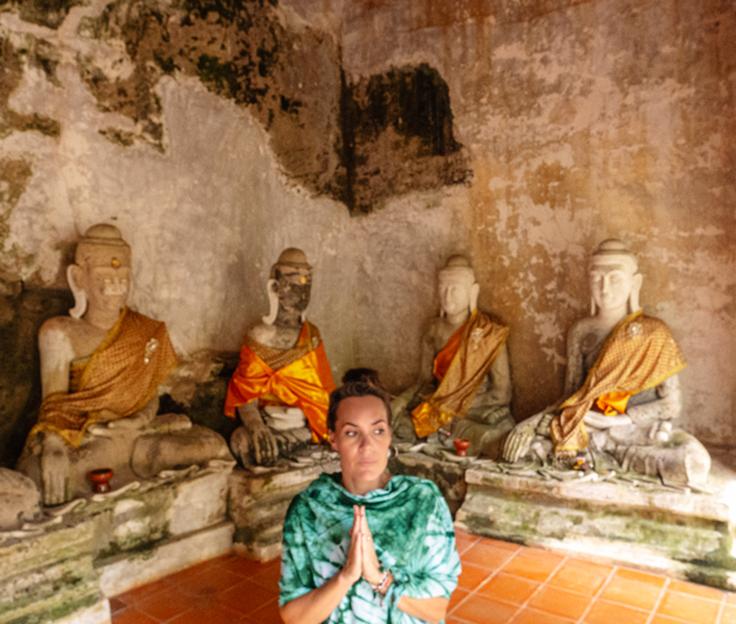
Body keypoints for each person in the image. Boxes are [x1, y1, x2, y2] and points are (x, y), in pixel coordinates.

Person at [16, 224, 230, 505]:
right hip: (86, 441)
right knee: (39, 477)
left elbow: (148, 395)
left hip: (136, 439)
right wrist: (54, 445)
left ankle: (141, 474)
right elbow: (54, 405)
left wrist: (138, 422)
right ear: (78, 278)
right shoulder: (59, 332)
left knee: (212, 445)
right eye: (104, 275)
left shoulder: (145, 331)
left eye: (122, 275)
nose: (115, 284)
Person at [502, 239, 710, 487]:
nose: (605, 288)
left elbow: (671, 405)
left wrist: (617, 421)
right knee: (525, 450)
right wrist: (530, 423)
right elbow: (571, 396)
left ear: (635, 283)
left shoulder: (654, 333)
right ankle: (597, 455)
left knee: (692, 461)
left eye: (615, 279)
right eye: (596, 279)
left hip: (634, 432)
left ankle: (597, 456)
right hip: (587, 426)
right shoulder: (582, 332)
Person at [279, 381, 460, 624]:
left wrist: (378, 578)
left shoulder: (422, 502)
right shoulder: (309, 507)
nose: (367, 446)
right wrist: (346, 576)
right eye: (352, 433)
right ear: (333, 439)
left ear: (389, 436)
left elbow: (437, 609)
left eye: (377, 431)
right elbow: (294, 617)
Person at [392, 254, 514, 458]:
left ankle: (441, 433)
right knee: (397, 423)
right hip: (438, 408)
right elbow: (424, 381)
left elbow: (502, 394)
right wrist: (401, 401)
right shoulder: (433, 330)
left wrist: (453, 406)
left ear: (472, 292)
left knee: (494, 435)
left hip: (473, 410)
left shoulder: (488, 333)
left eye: (455, 288)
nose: (448, 296)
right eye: (443, 289)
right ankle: (439, 432)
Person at [224, 248, 335, 466]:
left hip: (304, 427)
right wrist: (256, 426)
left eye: (307, 284)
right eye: (294, 282)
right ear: (275, 287)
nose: (302, 292)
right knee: (241, 442)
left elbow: (323, 395)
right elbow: (245, 396)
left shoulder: (311, 335)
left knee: (336, 433)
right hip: (270, 425)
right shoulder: (260, 335)